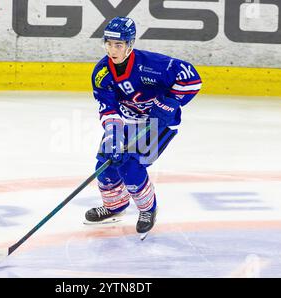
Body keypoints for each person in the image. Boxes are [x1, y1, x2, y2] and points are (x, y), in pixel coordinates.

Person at [84, 17, 201, 236]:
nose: (112, 49)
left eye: (118, 45)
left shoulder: (153, 65)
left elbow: (192, 79)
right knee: (105, 162)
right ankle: (115, 206)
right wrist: (113, 136)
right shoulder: (101, 73)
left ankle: (148, 210)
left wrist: (170, 103)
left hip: (158, 123)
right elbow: (108, 109)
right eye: (108, 43)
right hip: (127, 122)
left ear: (129, 44)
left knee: (131, 166)